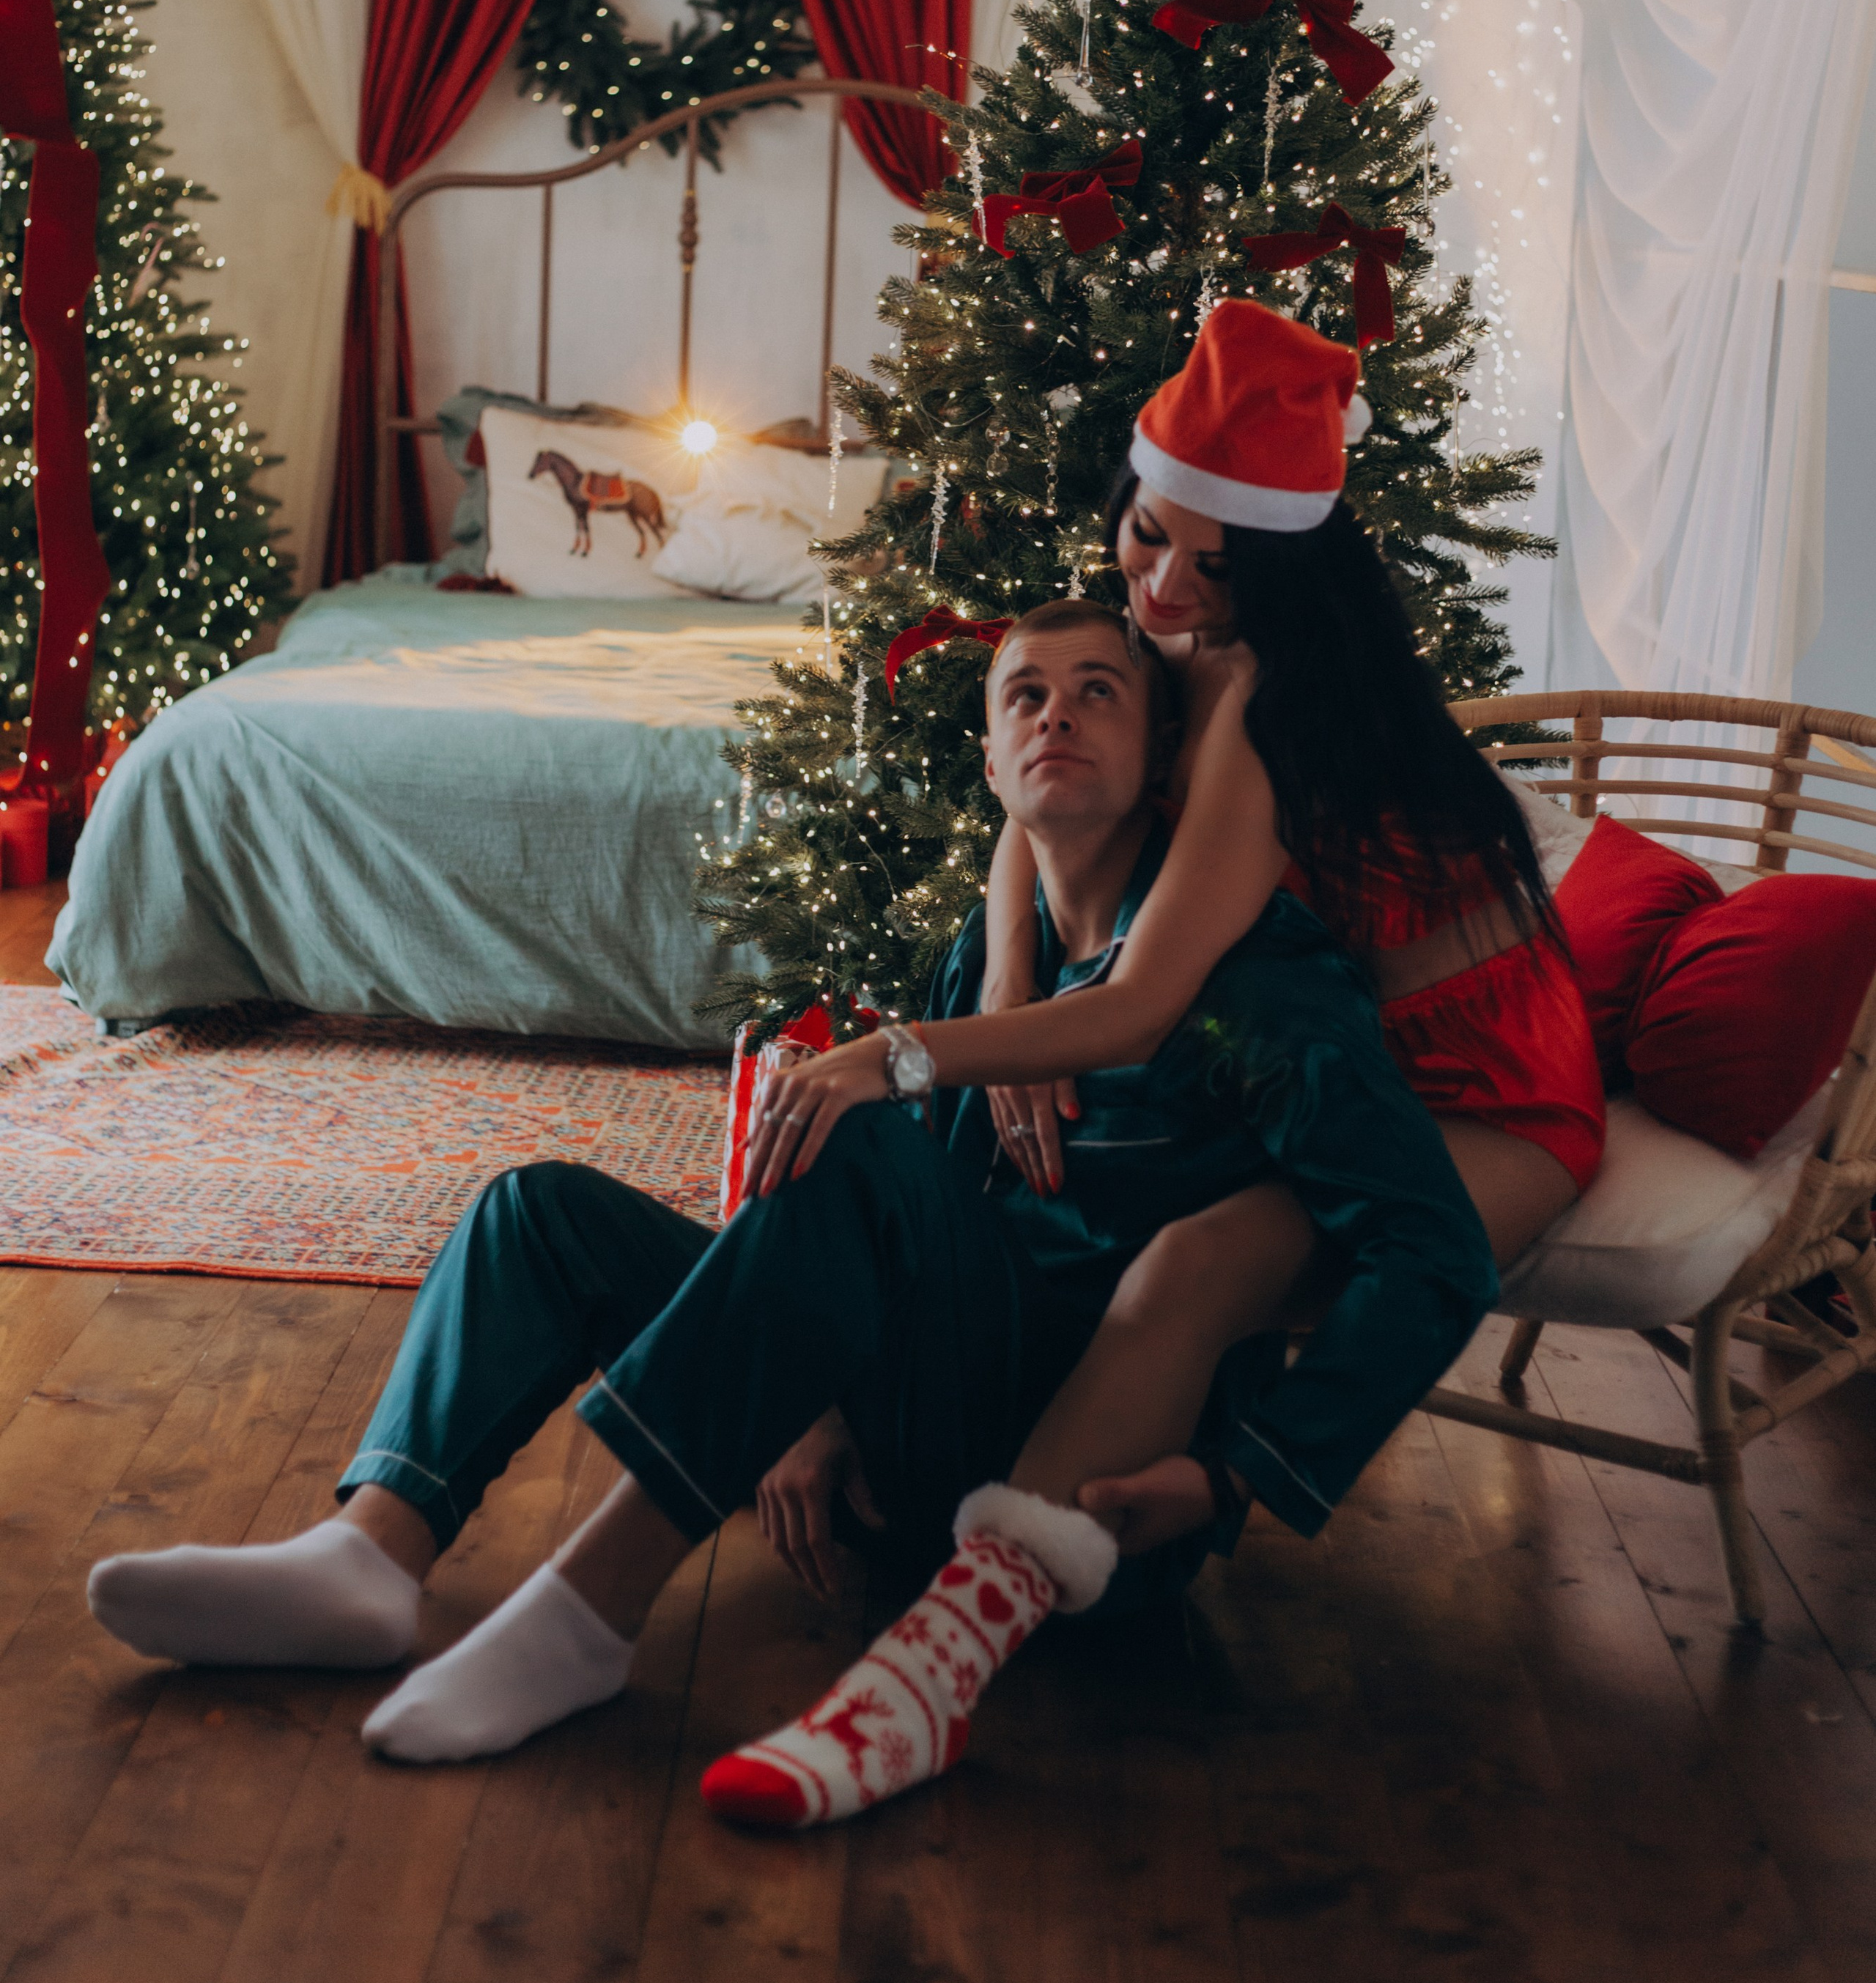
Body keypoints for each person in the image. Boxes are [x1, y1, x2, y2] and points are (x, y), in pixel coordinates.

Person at [86, 592, 1494, 1823]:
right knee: (536, 1213)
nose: (1056, 714)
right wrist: (810, 1408)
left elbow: (1432, 1247)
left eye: (1099, 692)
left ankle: (585, 1613)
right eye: (1024, 696)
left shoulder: (1261, 984)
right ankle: (369, 1557)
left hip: (1078, 1506)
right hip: (912, 1414)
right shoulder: (987, 957)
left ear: (1167, 757)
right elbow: (909, 1218)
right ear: (995, 759)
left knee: (863, 1141)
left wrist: (1239, 1475)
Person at [716, 299, 1602, 1816]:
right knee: (1117, 1226)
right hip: (1336, 1050)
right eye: (1147, 538)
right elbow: (1033, 804)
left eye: (1213, 559)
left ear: (1284, 566)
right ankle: (938, 1511)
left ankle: (932, 1671)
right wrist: (1001, 971)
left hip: (1484, 1090)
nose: (1167, 588)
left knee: (1191, 1266)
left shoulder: (1259, 705)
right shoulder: (1150, 648)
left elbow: (1138, 1003)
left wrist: (913, 1055)